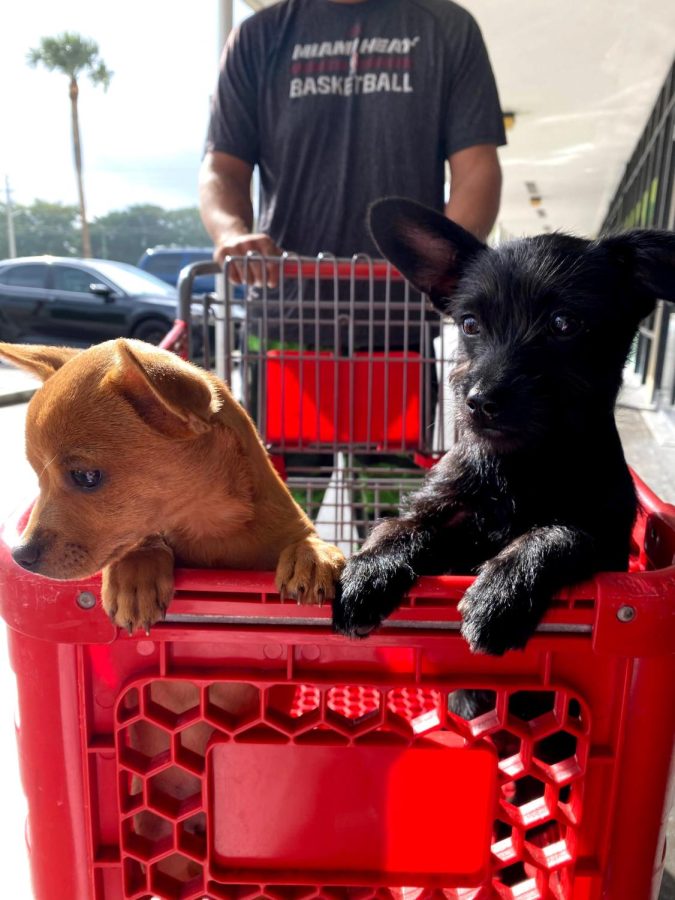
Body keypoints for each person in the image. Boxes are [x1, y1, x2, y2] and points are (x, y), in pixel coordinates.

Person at [199, 0, 506, 282]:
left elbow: (476, 168)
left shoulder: (448, 27)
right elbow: (222, 168)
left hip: (403, 313)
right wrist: (231, 234)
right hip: (280, 308)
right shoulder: (256, 38)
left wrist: (448, 263)